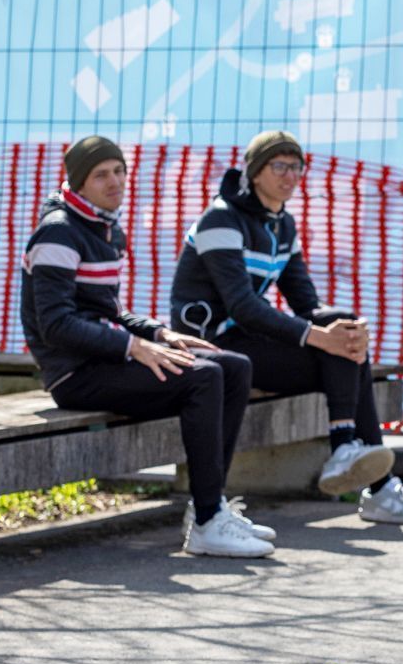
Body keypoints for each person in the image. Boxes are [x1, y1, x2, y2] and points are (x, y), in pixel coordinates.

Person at [19, 135, 271, 558]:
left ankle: (210, 507)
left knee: (235, 366)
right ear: (79, 183)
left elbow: (108, 310)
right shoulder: (59, 233)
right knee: (203, 378)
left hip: (104, 359)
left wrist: (158, 333)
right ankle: (208, 520)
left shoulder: (104, 228)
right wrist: (132, 347)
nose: (115, 181)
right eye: (101, 174)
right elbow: (56, 326)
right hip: (74, 373)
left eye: (119, 171)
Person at [169, 129, 403, 525]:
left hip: (247, 342)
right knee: (335, 343)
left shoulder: (282, 225)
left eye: (297, 167)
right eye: (279, 166)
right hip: (213, 345)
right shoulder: (220, 218)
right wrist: (320, 337)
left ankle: (357, 463)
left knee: (342, 334)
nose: (290, 175)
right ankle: (368, 476)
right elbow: (242, 307)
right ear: (255, 171)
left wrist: (345, 329)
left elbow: (305, 303)